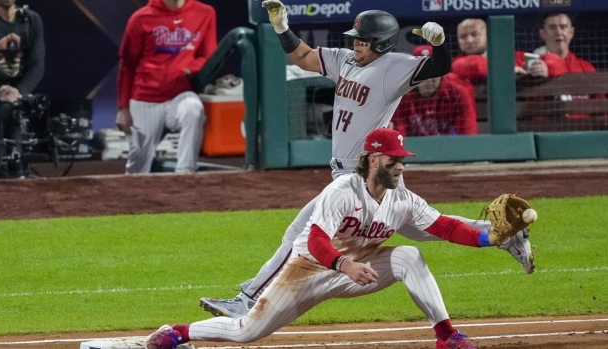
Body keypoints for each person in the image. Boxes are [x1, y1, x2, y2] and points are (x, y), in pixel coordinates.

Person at [200, 0, 534, 319]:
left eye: (363, 40)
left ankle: (248, 300)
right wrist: (282, 28)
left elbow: (439, 65)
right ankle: (503, 233)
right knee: (421, 228)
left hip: (362, 176)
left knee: (298, 233)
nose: (356, 44)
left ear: (382, 43)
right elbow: (302, 57)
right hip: (361, 175)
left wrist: (439, 45)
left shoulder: (394, 67)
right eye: (356, 39)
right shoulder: (345, 59)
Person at [144, 128, 519, 349]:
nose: (400, 165)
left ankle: (447, 336)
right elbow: (318, 239)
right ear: (373, 160)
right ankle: (178, 333)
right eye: (393, 159)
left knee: (408, 255)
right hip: (307, 271)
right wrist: (345, 264)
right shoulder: (343, 190)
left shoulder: (404, 199)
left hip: (356, 270)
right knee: (247, 332)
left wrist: (491, 239)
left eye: (402, 159)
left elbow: (446, 228)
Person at [116, 0, 216, 174]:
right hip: (145, 97)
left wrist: (190, 69)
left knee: (194, 110)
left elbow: (208, 55)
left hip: (179, 93)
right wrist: (123, 108)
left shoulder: (205, 12)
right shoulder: (140, 18)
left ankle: (185, 174)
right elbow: (128, 65)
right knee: (138, 163)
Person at [0, 0, 45, 179]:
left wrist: (19, 92)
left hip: (16, 95)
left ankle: (16, 172)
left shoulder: (31, 20)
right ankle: (2, 173)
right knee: (5, 112)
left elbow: (37, 65)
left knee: (16, 110)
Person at [391, 45, 477, 136]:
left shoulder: (456, 94)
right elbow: (399, 136)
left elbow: (467, 135)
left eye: (433, 71)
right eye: (423, 71)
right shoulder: (402, 96)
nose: (429, 79)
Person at [452, 18, 563, 84]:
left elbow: (557, 60)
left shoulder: (513, 57)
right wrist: (507, 71)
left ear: (488, 36)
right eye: (463, 36)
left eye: (475, 34)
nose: (469, 40)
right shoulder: (456, 64)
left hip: (523, 115)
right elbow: (475, 65)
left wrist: (546, 67)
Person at [529, 13, 595, 77]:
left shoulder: (586, 69)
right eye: (552, 28)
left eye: (563, 27)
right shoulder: (531, 65)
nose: (558, 32)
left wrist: (549, 70)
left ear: (571, 32)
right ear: (542, 33)